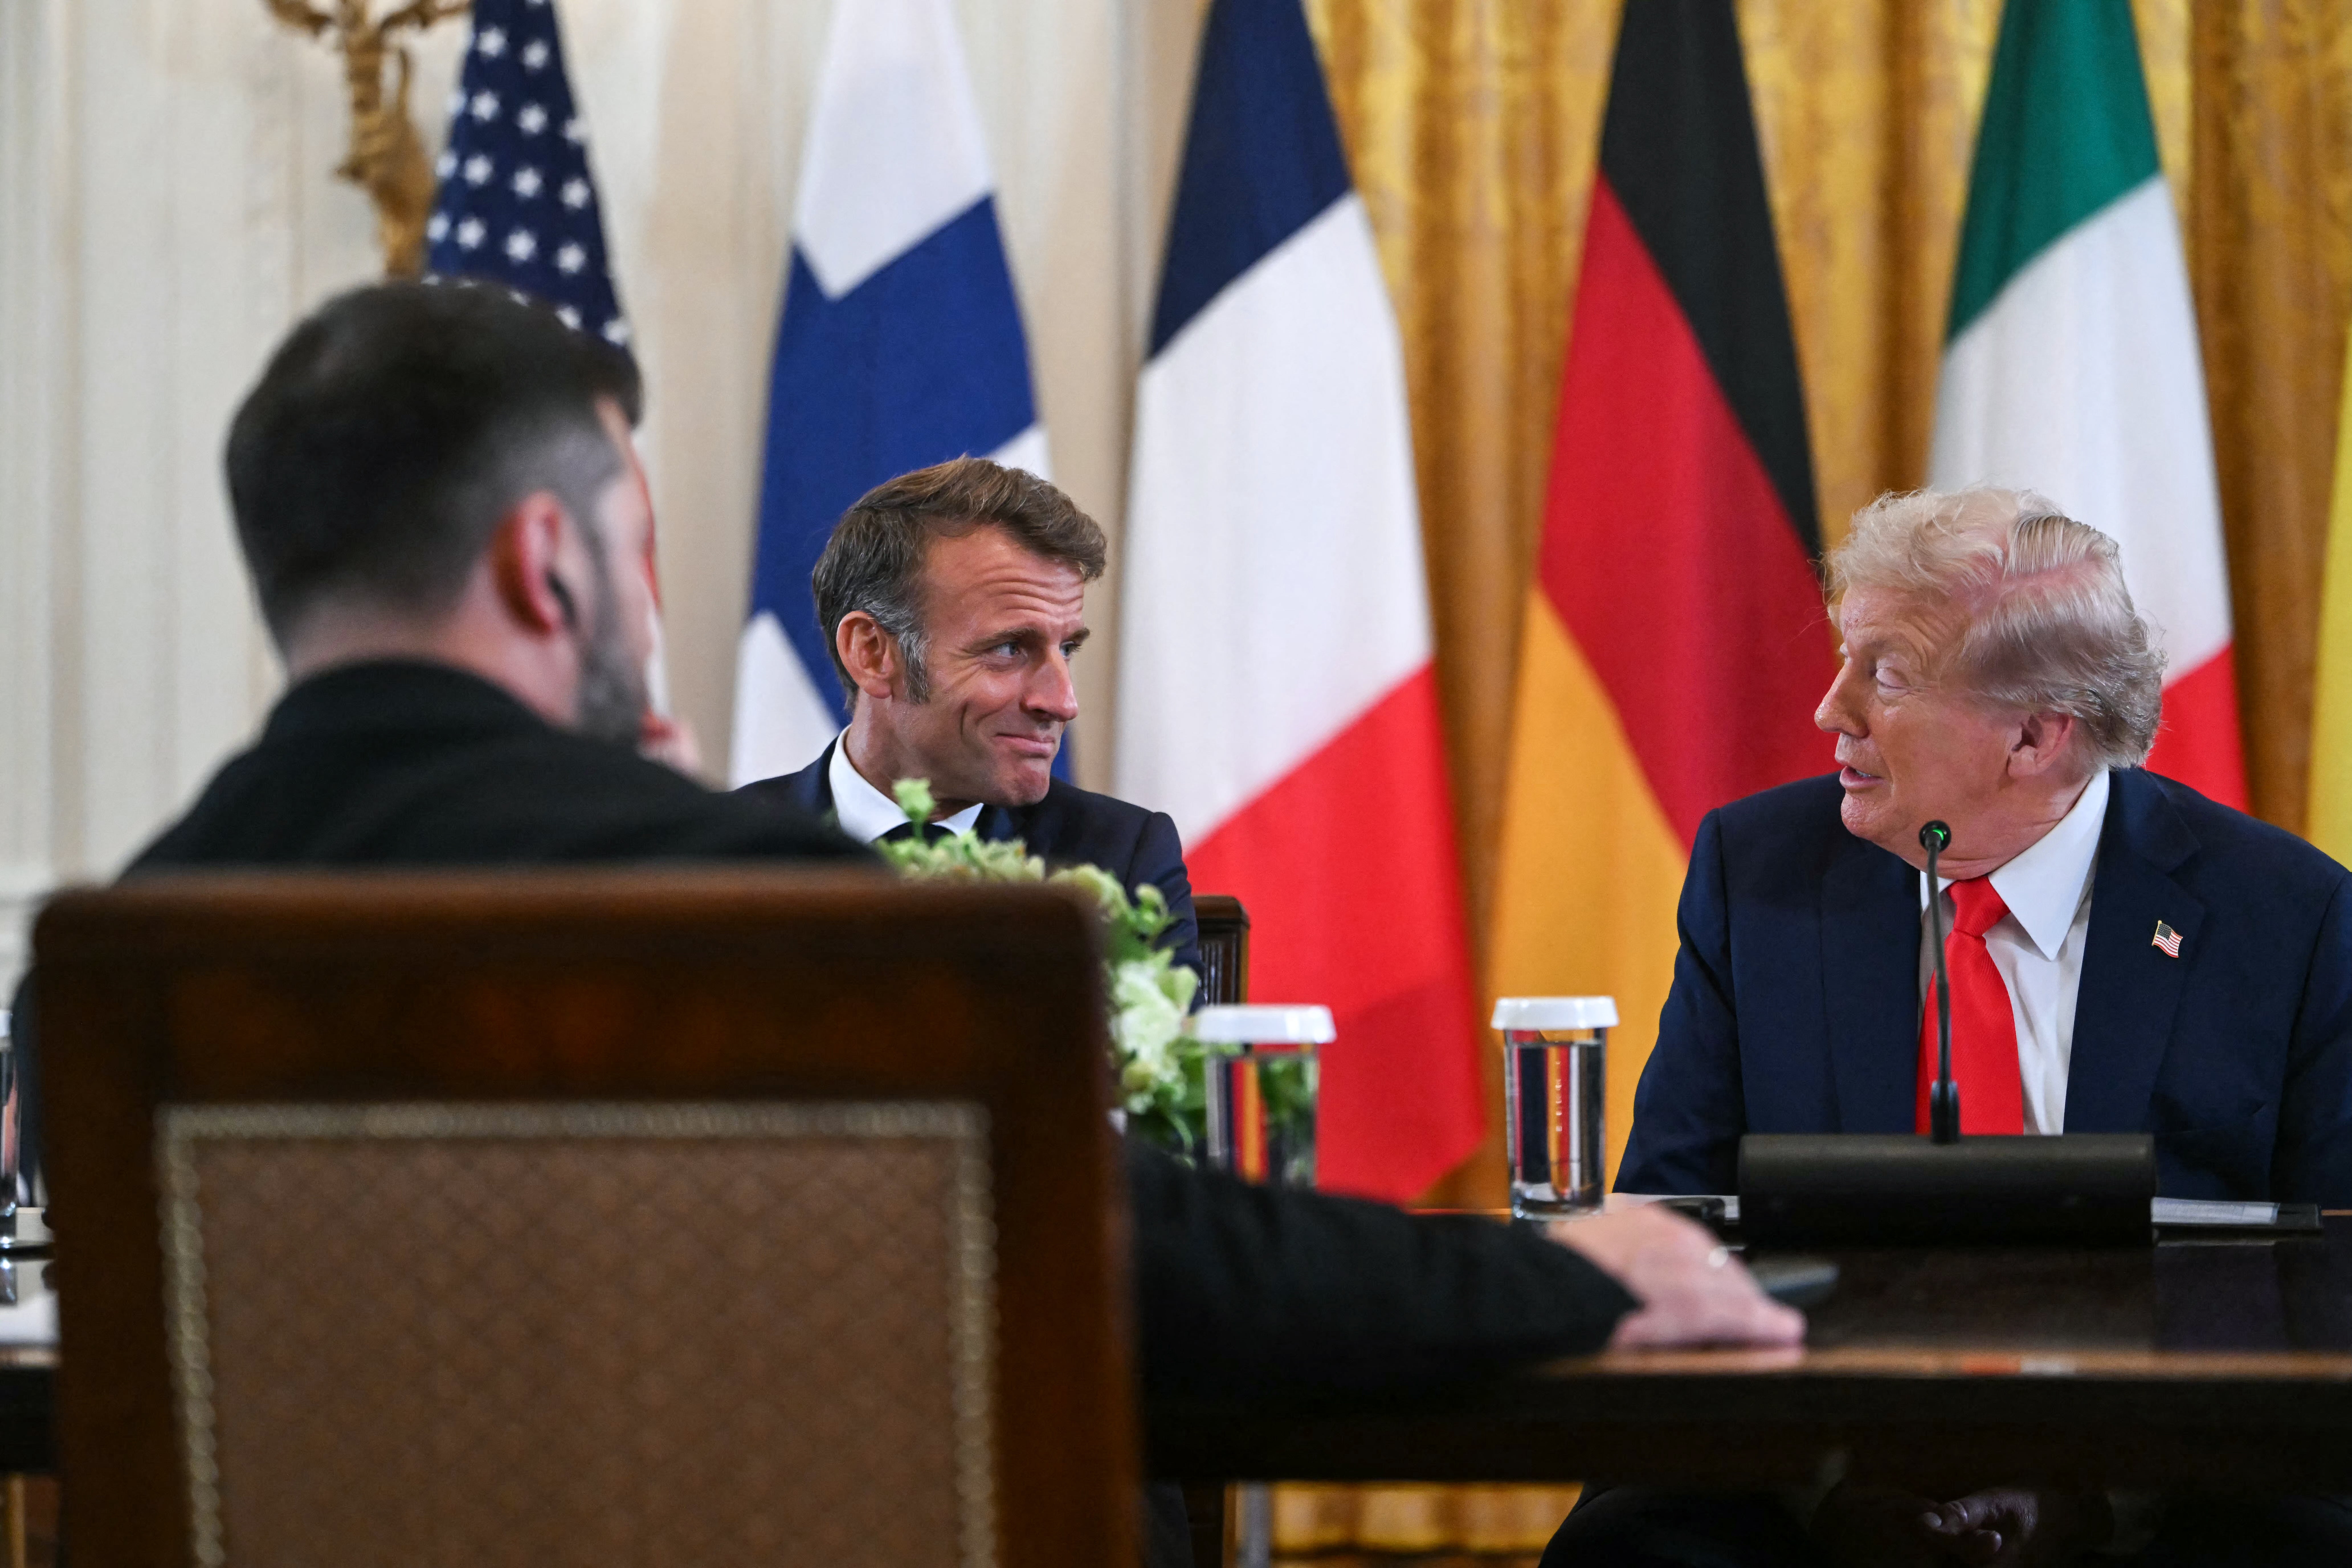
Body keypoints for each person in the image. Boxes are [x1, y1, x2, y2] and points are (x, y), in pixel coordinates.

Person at [14, 282, 1798, 1567]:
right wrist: (1565, 1263)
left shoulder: (105, 966)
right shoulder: (733, 915)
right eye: (634, 547)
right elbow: (1137, 1258)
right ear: (545, 565)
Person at [1547, 488, 2352, 1566]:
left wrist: (2103, 1496)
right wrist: (1831, 1482)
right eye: (1846, 658)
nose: (1829, 710)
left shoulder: (2285, 917)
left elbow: (2326, 1296)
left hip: (2166, 1484)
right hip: (1806, 1460)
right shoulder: (1760, 873)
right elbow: (1678, 1220)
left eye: (1882, 673)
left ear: (2032, 734)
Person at [735, 459, 1200, 973]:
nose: (1063, 703)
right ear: (870, 653)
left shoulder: (1120, 859)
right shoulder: (713, 861)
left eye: (1066, 649)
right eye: (1008, 648)